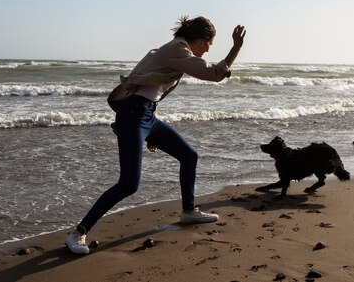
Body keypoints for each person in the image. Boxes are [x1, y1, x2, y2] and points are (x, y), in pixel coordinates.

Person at [65, 16, 246, 254]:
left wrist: (151, 131)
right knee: (129, 184)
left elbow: (151, 91)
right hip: (133, 115)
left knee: (189, 156)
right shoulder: (177, 49)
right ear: (201, 39)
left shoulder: (176, 52)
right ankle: (77, 233)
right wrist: (235, 48)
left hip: (147, 116)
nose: (209, 49)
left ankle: (189, 212)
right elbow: (213, 74)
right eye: (209, 43)